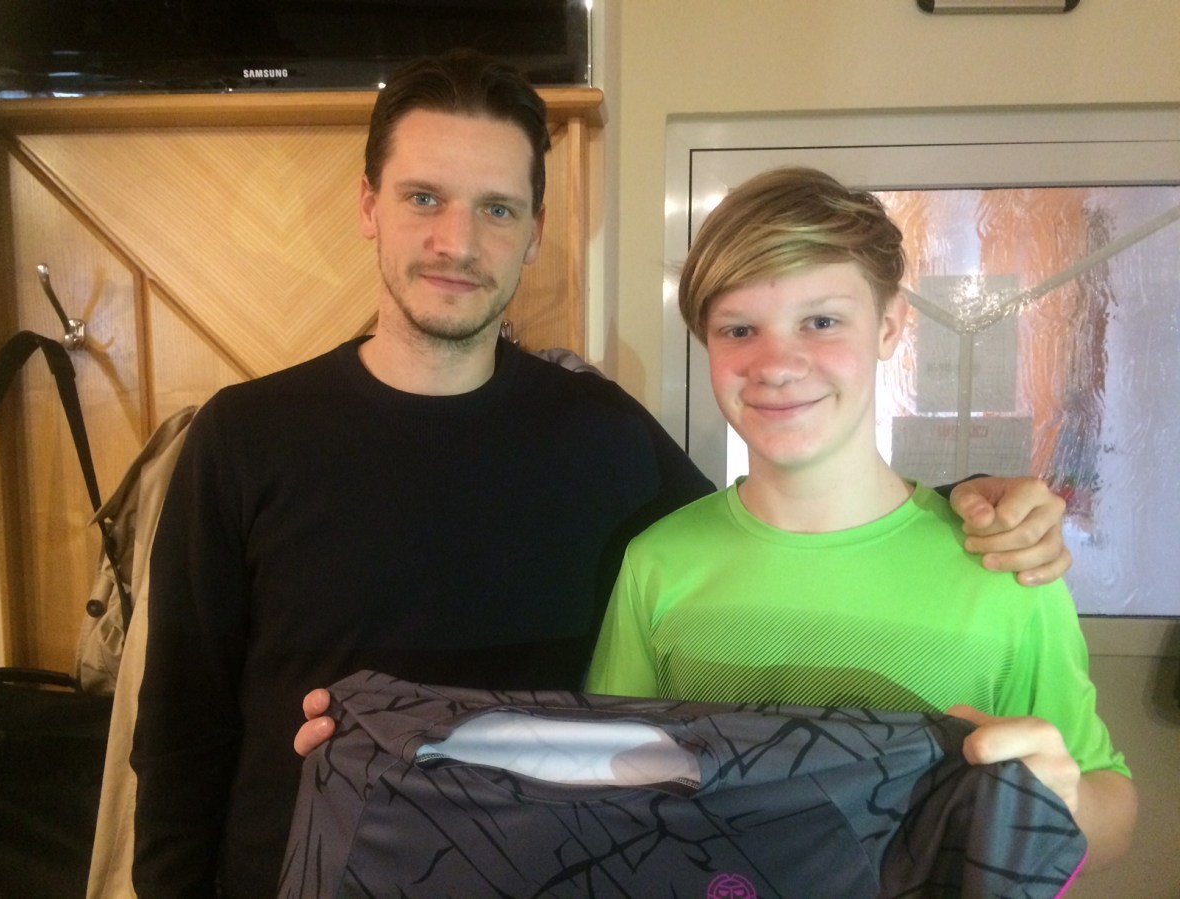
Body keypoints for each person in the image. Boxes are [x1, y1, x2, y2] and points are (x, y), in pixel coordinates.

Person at [132, 50, 1072, 899]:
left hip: (540, 876)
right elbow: (180, 730)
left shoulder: (603, 434)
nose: (458, 240)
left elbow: (779, 524)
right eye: (423, 198)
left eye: (497, 208)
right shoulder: (243, 435)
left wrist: (964, 503)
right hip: (300, 872)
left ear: (535, 231)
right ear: (369, 206)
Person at [584, 166, 1137, 870]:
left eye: (821, 321)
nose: (776, 364)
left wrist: (1065, 804)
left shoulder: (1004, 565)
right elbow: (607, 791)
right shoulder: (657, 561)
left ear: (890, 325)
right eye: (739, 328)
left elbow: (1112, 814)